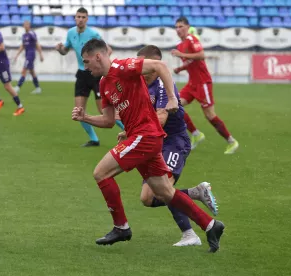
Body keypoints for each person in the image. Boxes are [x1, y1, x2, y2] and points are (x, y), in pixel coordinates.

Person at [72, 38, 225, 253]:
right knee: (164, 192)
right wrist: (85, 117)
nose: (86, 68)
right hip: (143, 138)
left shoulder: (124, 66)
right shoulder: (105, 84)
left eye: (87, 62)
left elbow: (160, 65)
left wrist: (172, 98)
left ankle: (121, 227)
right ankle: (210, 225)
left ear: (98, 56)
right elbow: (108, 121)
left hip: (146, 136)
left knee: (101, 173)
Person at [118, 45, 218, 247]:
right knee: (147, 198)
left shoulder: (165, 85)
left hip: (174, 141)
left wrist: (135, 132)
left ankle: (190, 234)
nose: (140, 71)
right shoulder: (143, 85)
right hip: (156, 141)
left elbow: (161, 118)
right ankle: (195, 193)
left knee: (164, 189)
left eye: (143, 67)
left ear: (154, 66)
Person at [56, 7, 123, 147]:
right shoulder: (71, 33)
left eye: (83, 17)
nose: (80, 19)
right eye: (78, 16)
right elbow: (65, 50)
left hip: (95, 75)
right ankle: (94, 139)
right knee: (79, 110)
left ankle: (129, 130)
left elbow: (108, 50)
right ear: (75, 18)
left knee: (103, 110)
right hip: (82, 74)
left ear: (87, 19)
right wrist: (60, 49)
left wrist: (100, 66)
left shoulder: (93, 34)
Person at [172, 16, 238, 154]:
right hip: (192, 83)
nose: (178, 29)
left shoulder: (191, 40)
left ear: (188, 27)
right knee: (175, 105)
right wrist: (180, 68)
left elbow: (201, 55)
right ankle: (196, 134)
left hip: (203, 83)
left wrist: (181, 54)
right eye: (176, 27)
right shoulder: (180, 44)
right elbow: (191, 62)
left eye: (181, 26)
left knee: (209, 115)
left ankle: (231, 141)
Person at [13, 20, 44, 95]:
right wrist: (17, 54)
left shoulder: (31, 33)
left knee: (24, 70)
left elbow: (37, 44)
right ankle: (38, 88)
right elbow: (23, 46)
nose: (26, 26)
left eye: (27, 24)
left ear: (29, 26)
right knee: (32, 72)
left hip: (31, 54)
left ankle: (17, 87)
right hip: (27, 55)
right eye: (25, 24)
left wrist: (41, 54)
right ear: (23, 26)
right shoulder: (24, 35)